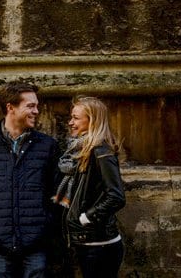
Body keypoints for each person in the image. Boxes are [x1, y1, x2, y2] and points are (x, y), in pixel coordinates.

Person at [0, 81, 60, 278]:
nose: (36, 111)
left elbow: (60, 192)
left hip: (36, 245)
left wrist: (45, 224)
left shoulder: (48, 146)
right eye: (30, 106)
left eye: (37, 105)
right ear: (11, 108)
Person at [51, 96, 126, 277]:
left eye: (76, 118)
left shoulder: (101, 151)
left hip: (100, 245)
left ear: (92, 120)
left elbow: (116, 196)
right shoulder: (79, 150)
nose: (70, 122)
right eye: (71, 117)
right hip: (87, 243)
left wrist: (85, 218)